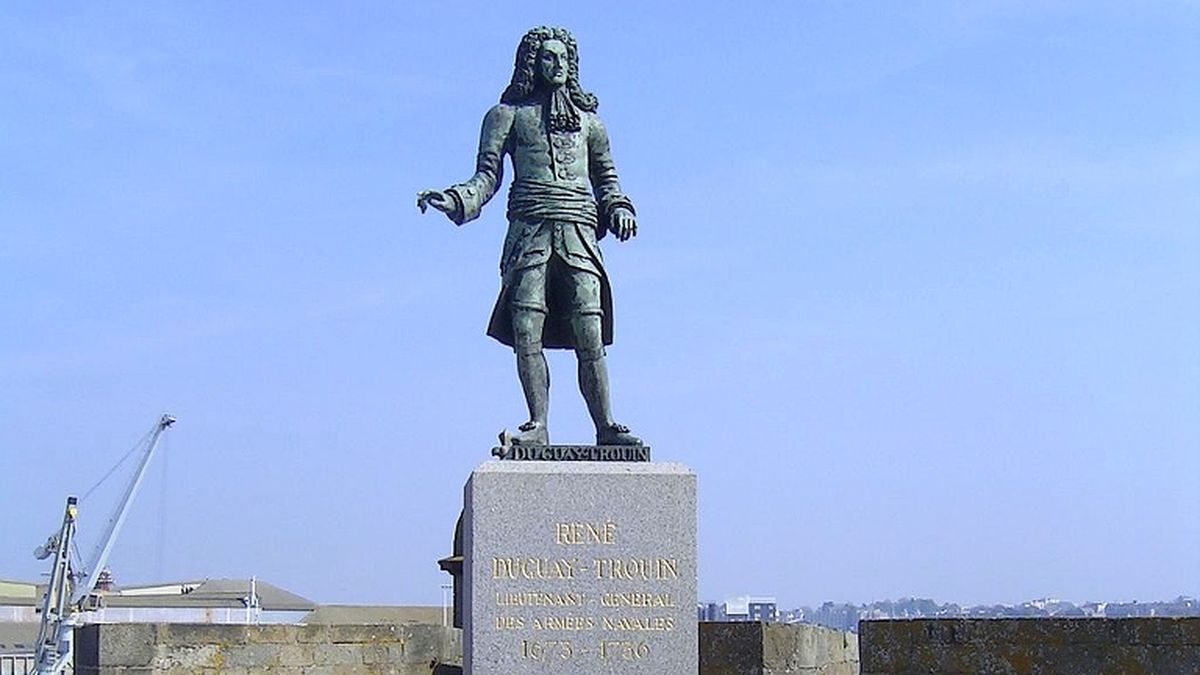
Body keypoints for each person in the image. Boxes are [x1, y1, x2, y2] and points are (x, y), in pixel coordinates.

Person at [418, 26, 640, 446]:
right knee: (527, 332)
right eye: (547, 58)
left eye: (563, 59)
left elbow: (607, 181)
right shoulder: (506, 117)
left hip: (579, 237)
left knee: (589, 333)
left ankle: (606, 425)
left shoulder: (592, 125)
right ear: (531, 64)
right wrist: (455, 199)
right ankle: (537, 424)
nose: (556, 66)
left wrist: (619, 208)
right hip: (529, 236)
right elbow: (486, 176)